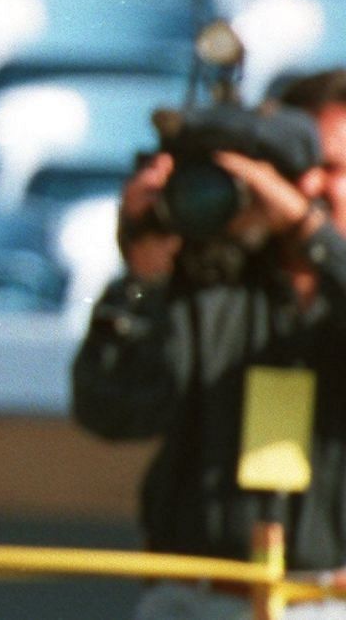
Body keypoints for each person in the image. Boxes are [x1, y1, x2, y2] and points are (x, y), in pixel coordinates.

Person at [72, 69, 346, 619]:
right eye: (298, 171)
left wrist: (308, 233)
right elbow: (111, 412)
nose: (311, 188)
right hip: (195, 600)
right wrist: (144, 275)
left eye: (334, 170)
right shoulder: (211, 281)